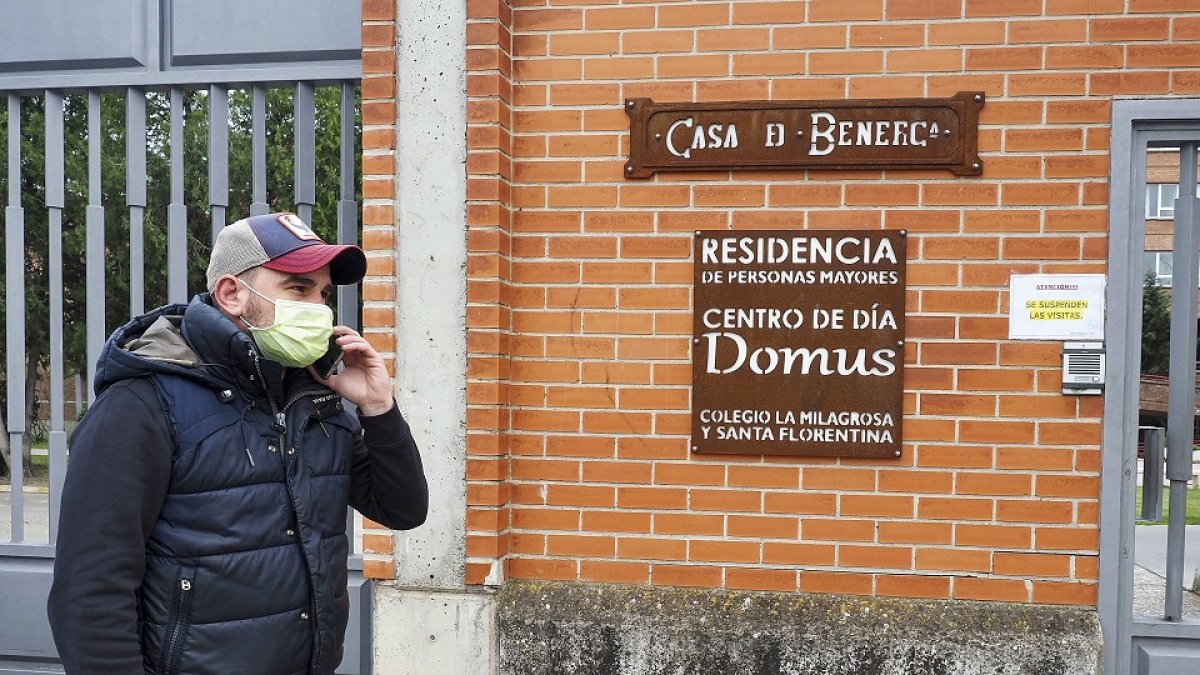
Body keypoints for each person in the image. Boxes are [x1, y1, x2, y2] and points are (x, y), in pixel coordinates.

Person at [47, 212, 428, 675]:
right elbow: (90, 590)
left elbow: (403, 509)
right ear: (232, 294)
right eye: (298, 288)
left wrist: (378, 406)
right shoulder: (142, 404)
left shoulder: (313, 400)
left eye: (323, 294)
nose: (319, 310)